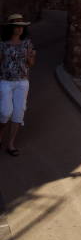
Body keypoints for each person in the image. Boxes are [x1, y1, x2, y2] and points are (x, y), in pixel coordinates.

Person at [0, 13, 35, 156]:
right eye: (17, 26)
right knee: (5, 112)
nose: (20, 29)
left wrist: (29, 57)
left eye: (22, 26)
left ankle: (11, 144)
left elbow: (31, 64)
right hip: (6, 81)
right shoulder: (2, 44)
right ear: (11, 28)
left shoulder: (27, 43)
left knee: (19, 112)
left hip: (22, 82)